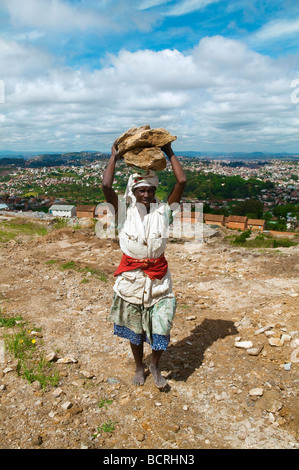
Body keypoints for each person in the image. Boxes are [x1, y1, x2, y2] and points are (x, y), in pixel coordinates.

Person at [102, 141, 186, 388]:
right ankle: (139, 366)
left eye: (150, 190)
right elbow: (106, 185)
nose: (147, 194)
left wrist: (168, 152)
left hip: (159, 280)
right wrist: (114, 157)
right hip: (131, 280)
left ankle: (154, 365)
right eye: (141, 190)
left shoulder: (164, 212)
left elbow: (181, 182)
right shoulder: (122, 213)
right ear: (133, 192)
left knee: (161, 328)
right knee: (135, 329)